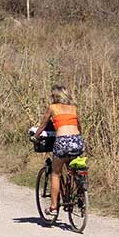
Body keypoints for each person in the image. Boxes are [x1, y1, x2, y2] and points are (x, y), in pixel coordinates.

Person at [32, 84, 83, 216]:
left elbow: (43, 125)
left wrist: (35, 137)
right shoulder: (73, 108)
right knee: (71, 169)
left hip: (62, 141)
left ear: (54, 96)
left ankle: (54, 207)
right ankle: (75, 196)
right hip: (77, 141)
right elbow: (79, 126)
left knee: (56, 174)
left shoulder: (52, 107)